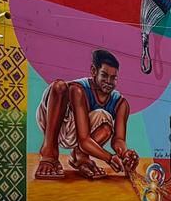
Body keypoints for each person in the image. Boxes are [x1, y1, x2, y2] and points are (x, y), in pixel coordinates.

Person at [35, 49, 131, 180]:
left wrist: (125, 155)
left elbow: (118, 140)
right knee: (59, 87)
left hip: (80, 133)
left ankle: (80, 157)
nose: (109, 81)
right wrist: (109, 158)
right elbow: (84, 140)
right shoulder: (78, 89)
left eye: (113, 78)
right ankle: (49, 154)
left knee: (106, 126)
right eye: (104, 75)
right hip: (57, 123)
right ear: (93, 71)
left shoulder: (121, 103)